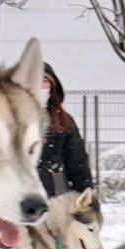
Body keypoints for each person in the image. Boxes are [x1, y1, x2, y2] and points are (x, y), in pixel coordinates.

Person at [37, 63, 94, 197]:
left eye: (44, 80)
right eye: (35, 80)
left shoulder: (64, 121)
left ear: (52, 86)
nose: (40, 85)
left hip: (56, 196)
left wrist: (86, 196)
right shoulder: (10, 120)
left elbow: (77, 162)